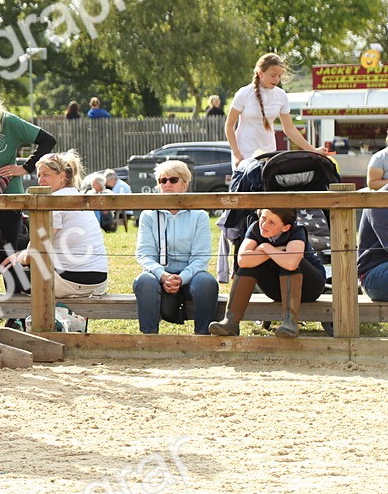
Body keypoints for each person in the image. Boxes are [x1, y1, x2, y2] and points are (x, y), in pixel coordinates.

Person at [0, 150, 108, 298]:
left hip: (74, 282)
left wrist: (18, 256)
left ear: (62, 176)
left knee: (10, 269)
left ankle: (23, 313)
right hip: (98, 280)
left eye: (46, 175)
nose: (40, 180)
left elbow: (35, 251)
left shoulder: (55, 201)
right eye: (39, 175)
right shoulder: (76, 195)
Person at [209, 207, 326, 338]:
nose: (264, 225)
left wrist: (265, 248)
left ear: (285, 228)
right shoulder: (255, 228)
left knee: (289, 261)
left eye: (272, 223)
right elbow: (242, 260)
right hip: (278, 289)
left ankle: (290, 323)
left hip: (310, 287)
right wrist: (272, 250)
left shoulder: (296, 231)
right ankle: (230, 322)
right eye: (263, 218)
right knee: (250, 264)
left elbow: (291, 263)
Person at [132, 160, 219, 335]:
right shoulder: (148, 215)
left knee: (207, 283)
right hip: (159, 274)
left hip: (191, 274)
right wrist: (163, 275)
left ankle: (204, 337)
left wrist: (182, 278)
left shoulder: (199, 215)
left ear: (185, 185)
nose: (167, 184)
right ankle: (149, 340)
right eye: (162, 181)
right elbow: (144, 254)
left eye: (173, 180)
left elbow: (201, 257)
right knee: (144, 281)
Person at [0, 83, 57, 265]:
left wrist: (25, 168)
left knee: (9, 252)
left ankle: (15, 283)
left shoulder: (9, 122)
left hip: (9, 197)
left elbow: (48, 140)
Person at [225, 52, 326, 171]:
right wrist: (237, 154)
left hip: (268, 153)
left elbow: (289, 129)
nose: (277, 79)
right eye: (273, 75)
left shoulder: (281, 95)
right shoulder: (244, 93)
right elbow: (229, 126)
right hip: (244, 153)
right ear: (261, 73)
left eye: (279, 75)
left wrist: (313, 151)